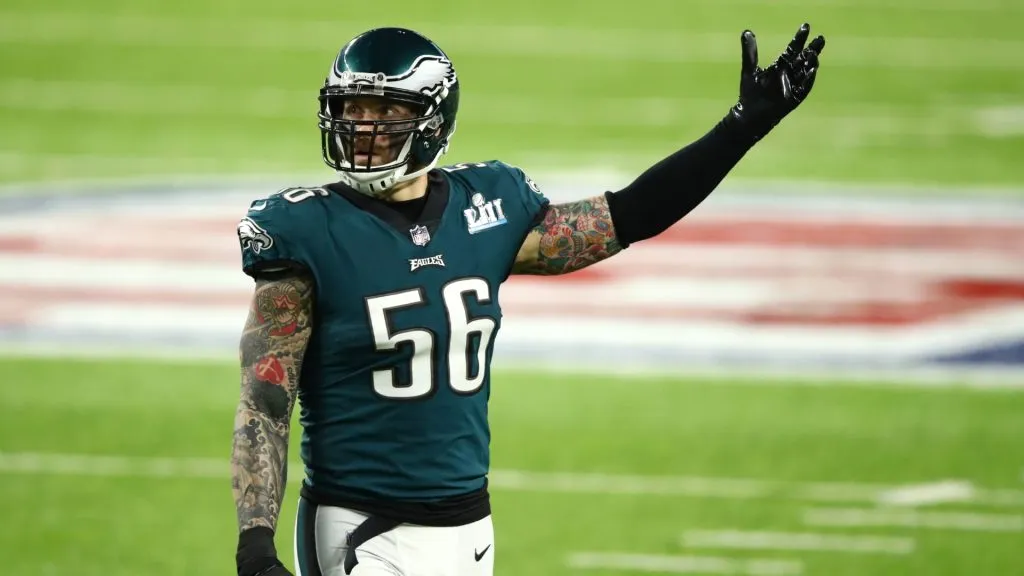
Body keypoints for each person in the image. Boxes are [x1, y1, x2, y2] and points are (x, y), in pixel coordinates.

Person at [230, 23, 826, 576]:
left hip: (469, 523)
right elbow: (264, 400)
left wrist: (742, 127)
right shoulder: (306, 231)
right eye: (351, 108)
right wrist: (256, 545)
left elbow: (629, 215)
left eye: (386, 110)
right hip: (360, 523)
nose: (363, 125)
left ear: (433, 119)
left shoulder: (486, 207)